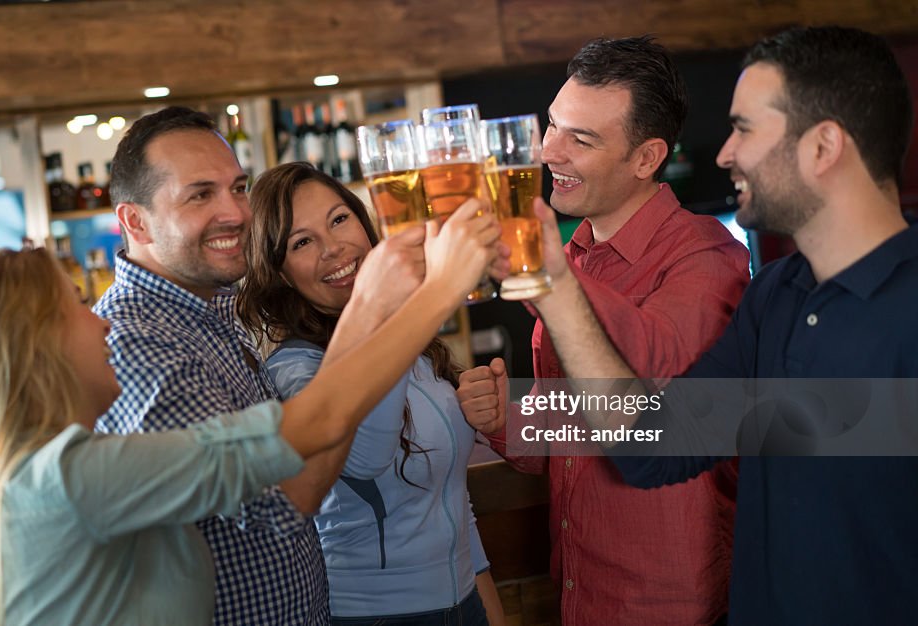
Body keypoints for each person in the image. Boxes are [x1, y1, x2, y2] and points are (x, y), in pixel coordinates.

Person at [481, 26, 918, 624]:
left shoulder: (719, 260)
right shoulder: (776, 297)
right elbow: (653, 445)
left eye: (744, 130)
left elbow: (658, 358)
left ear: (823, 147)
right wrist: (552, 290)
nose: (723, 154)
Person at [0, 235, 493, 625]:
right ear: (40, 351)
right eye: (76, 308)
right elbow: (314, 428)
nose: (100, 323)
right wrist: (436, 288)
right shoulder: (72, 476)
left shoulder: (56, 472)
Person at [94, 105, 503, 624]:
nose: (236, 212)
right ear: (135, 220)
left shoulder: (211, 312)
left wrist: (501, 417)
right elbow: (289, 497)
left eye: (238, 188)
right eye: (201, 194)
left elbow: (450, 496)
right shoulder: (139, 343)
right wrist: (398, 302)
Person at [456, 36, 750, 625]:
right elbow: (563, 435)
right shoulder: (577, 253)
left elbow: (650, 399)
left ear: (646, 158)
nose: (547, 153)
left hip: (666, 599)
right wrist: (501, 422)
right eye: (552, 126)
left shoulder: (706, 255)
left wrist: (549, 279)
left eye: (580, 139)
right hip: (578, 586)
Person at [237, 162, 508, 625]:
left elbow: (450, 500)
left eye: (339, 219)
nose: (333, 248)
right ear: (280, 274)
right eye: (302, 242)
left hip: (463, 602)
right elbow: (365, 457)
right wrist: (414, 303)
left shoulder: (418, 347)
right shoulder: (297, 371)